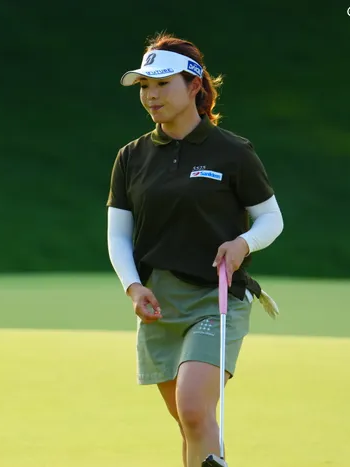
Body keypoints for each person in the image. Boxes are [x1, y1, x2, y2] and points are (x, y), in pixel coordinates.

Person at [106, 32, 284, 467]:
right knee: (191, 424)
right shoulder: (131, 157)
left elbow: (271, 218)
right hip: (158, 304)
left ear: (194, 86)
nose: (151, 95)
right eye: (145, 85)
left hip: (215, 299)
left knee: (192, 407)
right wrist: (132, 287)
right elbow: (118, 235)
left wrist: (243, 243)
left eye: (162, 84)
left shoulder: (232, 152)